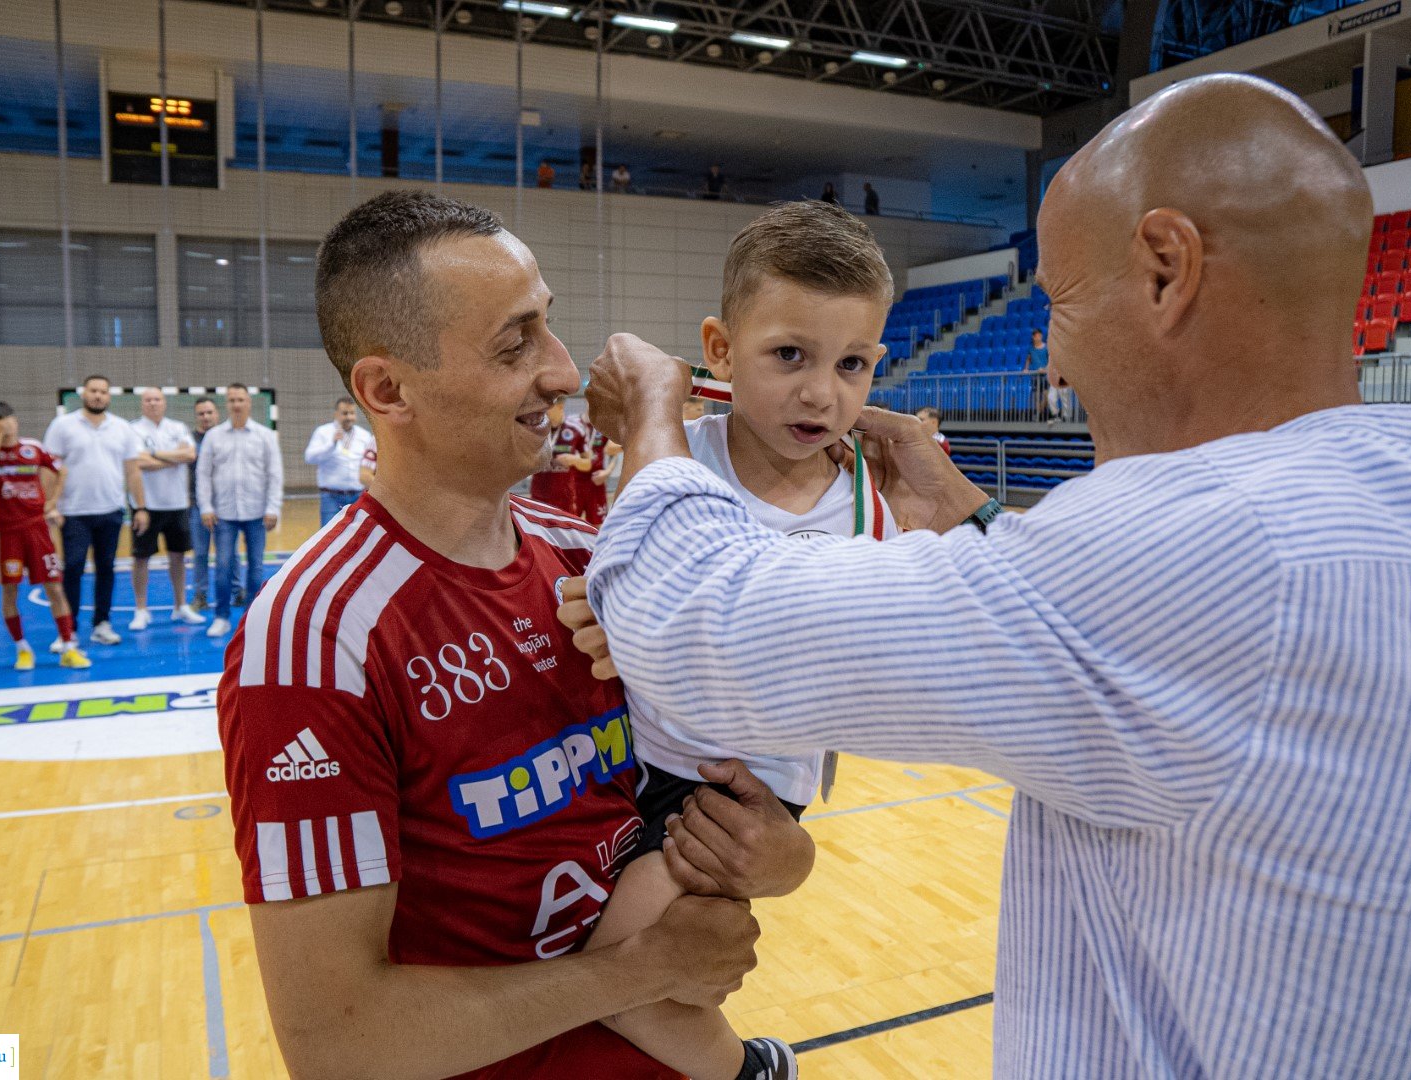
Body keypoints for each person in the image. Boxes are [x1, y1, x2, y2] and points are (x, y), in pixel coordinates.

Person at [578, 74, 1411, 1077]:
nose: (1052, 362)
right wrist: (973, 516)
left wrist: (654, 413)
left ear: (1165, 270)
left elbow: (689, 625)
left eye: (1058, 301)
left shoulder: (1194, 553)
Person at [219, 188, 812, 1080]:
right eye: (515, 343)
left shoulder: (592, 558)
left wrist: (780, 855)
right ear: (387, 390)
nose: (565, 371)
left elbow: (719, 787)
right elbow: (337, 1046)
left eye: (549, 325)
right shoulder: (313, 639)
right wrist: (639, 973)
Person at [570, 200, 936, 1080]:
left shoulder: (874, 508)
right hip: (622, 756)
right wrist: (591, 609)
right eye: (790, 356)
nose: (822, 393)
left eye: (852, 364)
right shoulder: (672, 456)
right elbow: (608, 586)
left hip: (739, 794)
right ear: (721, 351)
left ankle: (750, 1071)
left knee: (618, 976)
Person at [0, 402, 90, 670]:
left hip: (38, 529)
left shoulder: (33, 447)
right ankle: (22, 649)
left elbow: (61, 470)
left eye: (10, 419)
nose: (7, 424)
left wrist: (53, 502)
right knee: (10, 590)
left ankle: (69, 647)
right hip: (8, 533)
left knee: (54, 588)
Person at [43, 375, 148, 647]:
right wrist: (49, 505)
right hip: (73, 511)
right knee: (73, 568)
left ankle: (102, 623)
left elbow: (133, 471)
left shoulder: (122, 428)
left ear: (109, 396)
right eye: (93, 391)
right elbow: (49, 469)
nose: (98, 395)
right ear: (83, 394)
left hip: (111, 510)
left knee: (106, 568)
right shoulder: (62, 425)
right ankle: (68, 630)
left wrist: (140, 507)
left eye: (103, 391)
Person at [196, 383, 282, 639]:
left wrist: (272, 507)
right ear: (227, 404)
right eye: (232, 400)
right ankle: (221, 617)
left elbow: (274, 474)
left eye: (240, 399)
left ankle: (251, 620)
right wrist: (206, 507)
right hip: (223, 515)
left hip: (257, 514)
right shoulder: (213, 437)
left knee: (256, 568)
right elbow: (203, 474)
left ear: (249, 403)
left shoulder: (265, 436)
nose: (236, 404)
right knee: (223, 566)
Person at [128, 388, 203, 630]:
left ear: (164, 403)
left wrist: (153, 455)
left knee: (178, 557)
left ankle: (180, 606)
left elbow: (190, 454)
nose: (153, 403)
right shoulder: (133, 429)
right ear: (142, 404)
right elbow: (137, 461)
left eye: (157, 399)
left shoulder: (178, 427)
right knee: (141, 558)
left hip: (177, 503)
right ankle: (141, 610)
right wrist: (172, 458)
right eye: (148, 399)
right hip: (145, 505)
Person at [303, 396, 375, 526]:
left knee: (358, 534)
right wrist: (331, 444)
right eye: (345, 413)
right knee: (329, 534)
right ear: (336, 414)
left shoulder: (364, 435)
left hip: (358, 495)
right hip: (331, 497)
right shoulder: (323, 432)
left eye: (352, 413)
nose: (349, 417)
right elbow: (309, 457)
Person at [527, 396, 592, 517]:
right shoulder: (534, 428)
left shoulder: (576, 428)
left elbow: (588, 464)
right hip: (538, 497)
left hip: (565, 498)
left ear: (560, 407)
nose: (543, 410)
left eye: (548, 407)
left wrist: (575, 460)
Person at [187, 396, 221, 610]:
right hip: (197, 504)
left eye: (209, 412)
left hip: (225, 504)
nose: (206, 417)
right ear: (196, 416)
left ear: (216, 414)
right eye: (201, 413)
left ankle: (236, 591)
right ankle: (200, 594)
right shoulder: (188, 440)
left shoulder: (225, 437)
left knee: (228, 554)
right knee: (200, 553)